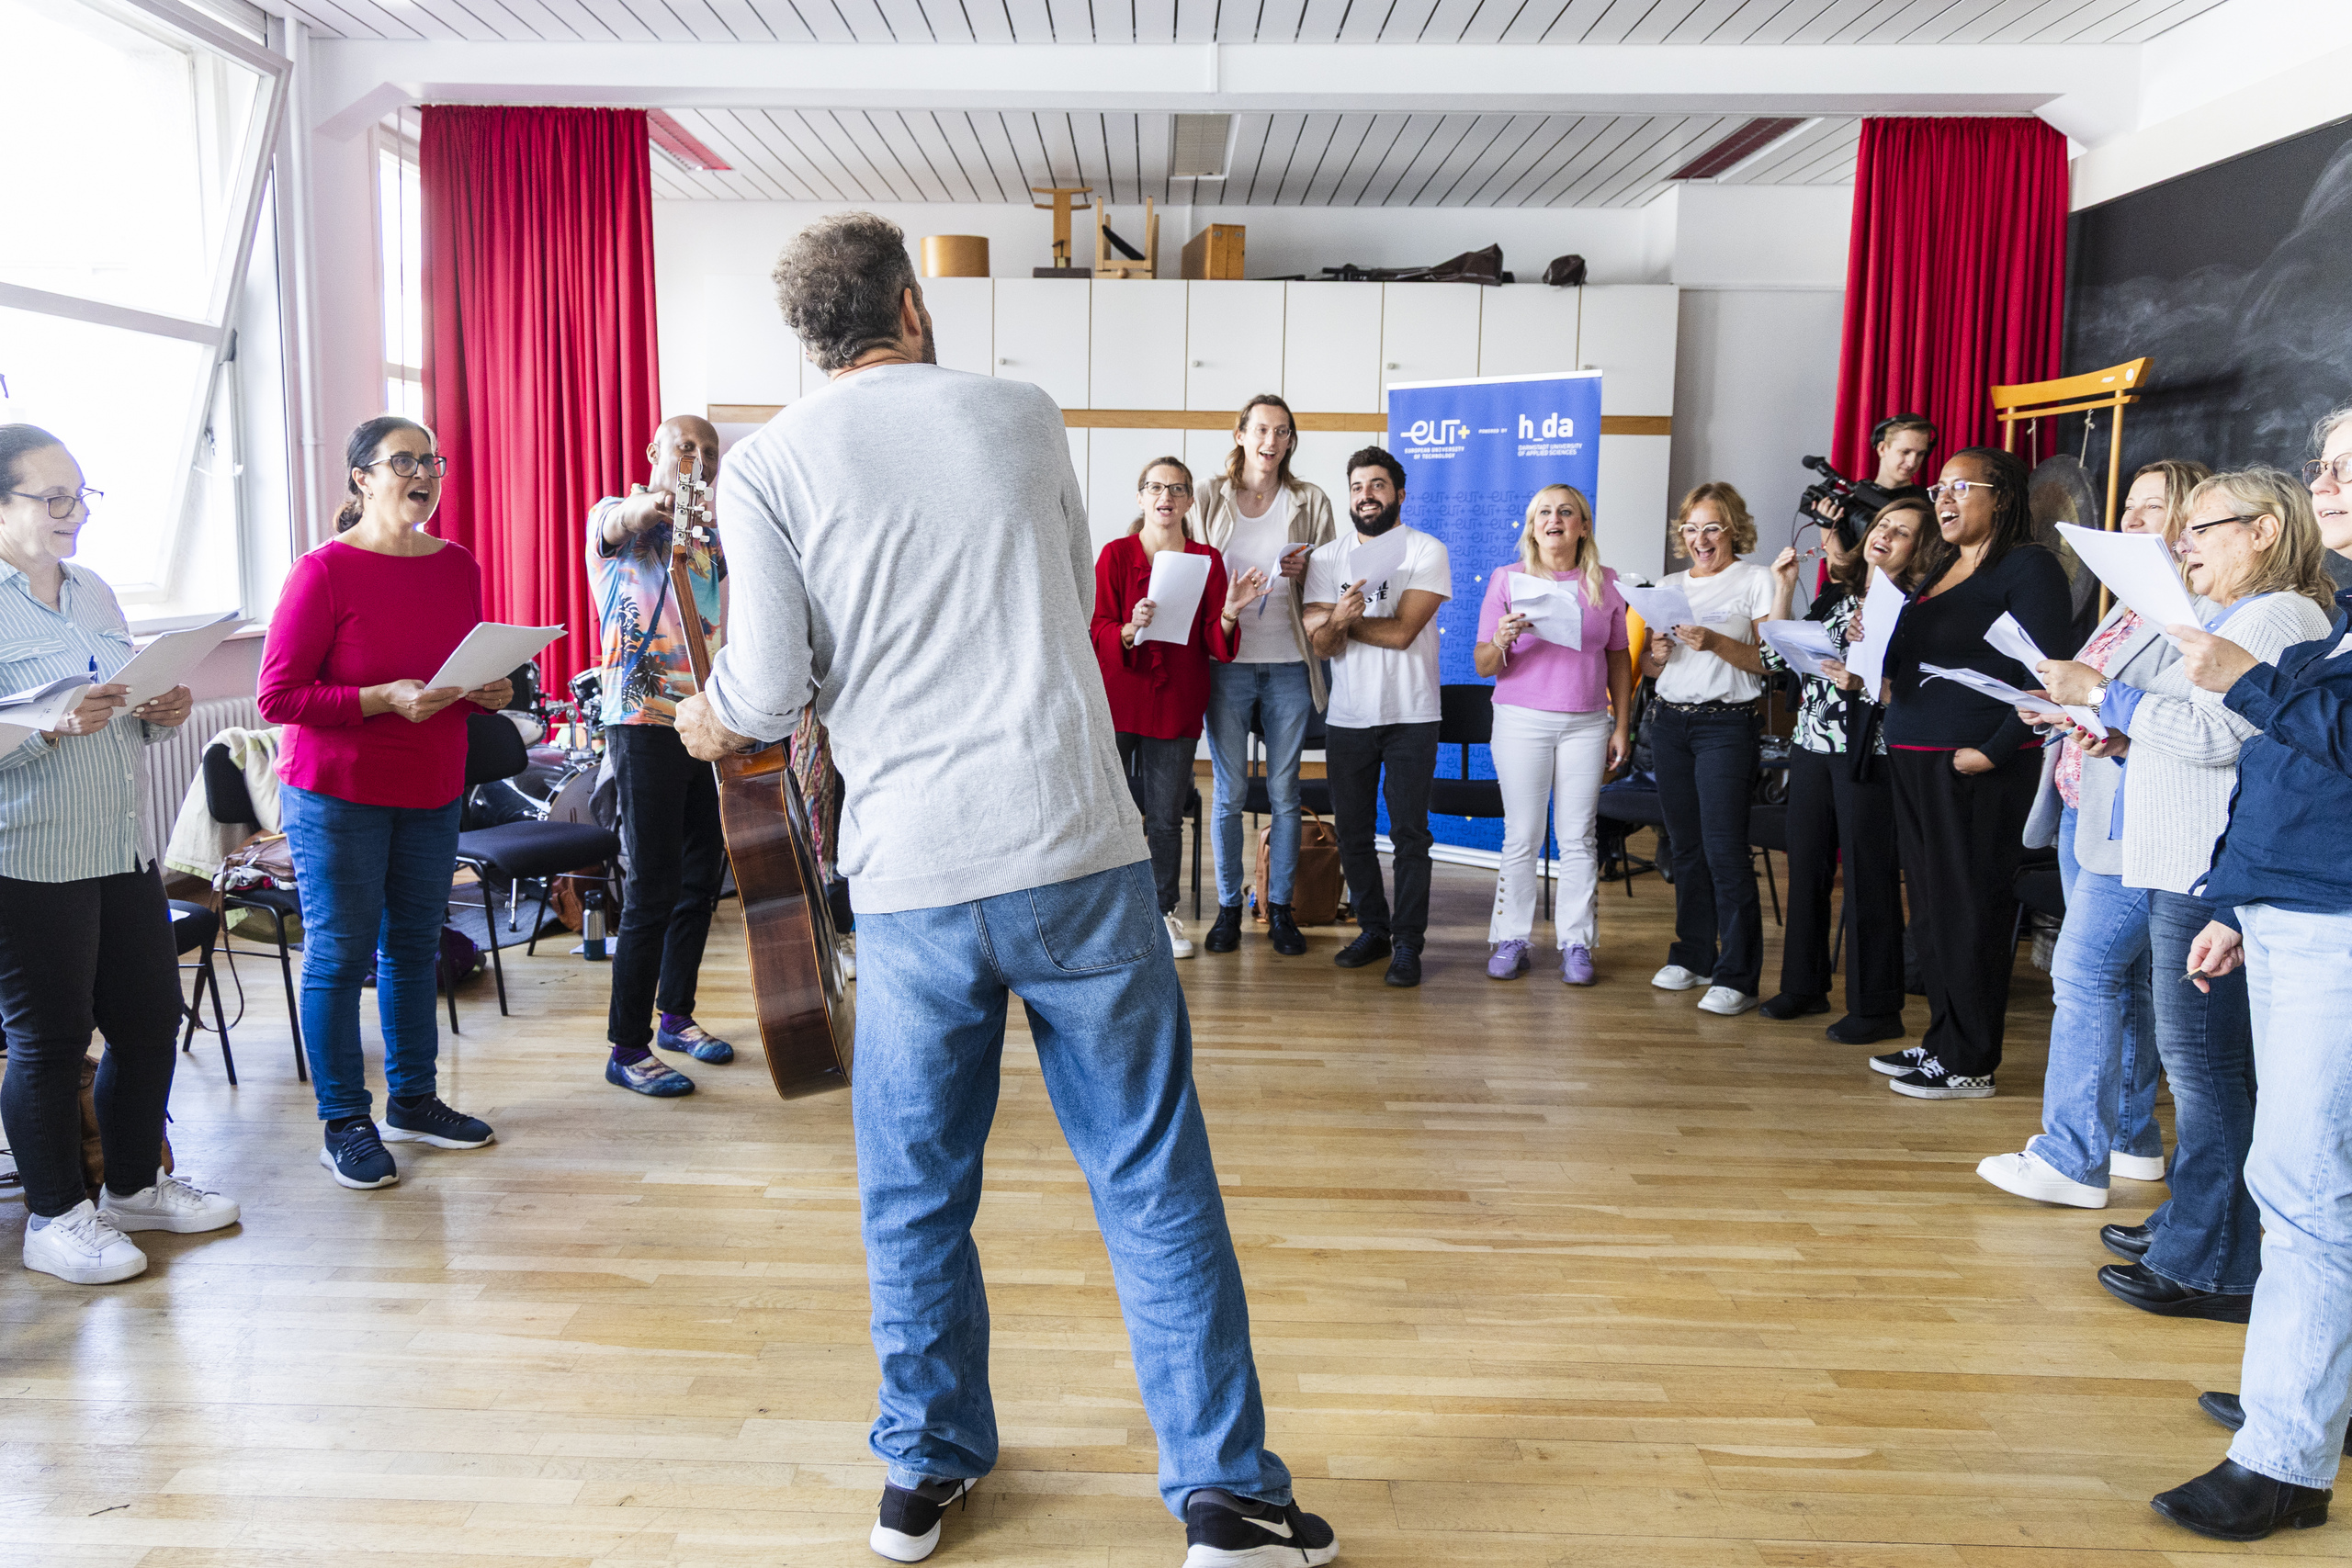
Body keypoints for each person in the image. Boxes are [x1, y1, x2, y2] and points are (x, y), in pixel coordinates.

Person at [672, 213, 1334, 1567]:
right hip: (1075, 845)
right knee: (1150, 1171)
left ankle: (923, 1466)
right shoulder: (1022, 414)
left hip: (913, 872)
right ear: (913, 307)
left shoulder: (773, 464)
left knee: (914, 1188)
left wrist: (705, 719)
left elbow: (768, 685)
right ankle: (1228, 1497)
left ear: (809, 335)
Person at [2032, 469, 2331, 1325]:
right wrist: (2121, 730)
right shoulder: (2240, 614)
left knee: (2207, 1072)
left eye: (2202, 526)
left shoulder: (2276, 614)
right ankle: (2195, 1224)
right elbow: (2191, 730)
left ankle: (2213, 1257)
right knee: (2201, 1066)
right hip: (2182, 858)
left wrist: (2103, 695)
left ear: (2265, 531)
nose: (2185, 543)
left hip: (2205, 866)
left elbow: (2213, 737)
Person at [2146, 410, 2352, 1542]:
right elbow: (2294, 779)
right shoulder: (2342, 615)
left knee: (2305, 1193)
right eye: (2319, 465)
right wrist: (2234, 900)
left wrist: (2242, 678)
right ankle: (2312, 1398)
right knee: (2315, 1188)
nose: (2321, 482)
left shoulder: (2300, 631)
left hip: (2335, 927)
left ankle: (2283, 1458)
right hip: (2291, 913)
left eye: (2339, 469)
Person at [0, 424, 234, 1284]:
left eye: (80, 497)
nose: (73, 516)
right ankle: (55, 1215)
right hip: (25, 857)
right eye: (52, 499)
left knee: (146, 1026)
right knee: (49, 1042)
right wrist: (41, 729)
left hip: (118, 845)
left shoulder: (93, 592)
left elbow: (119, 702)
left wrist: (155, 709)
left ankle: (133, 1186)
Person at [259, 416, 506, 1190]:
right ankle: (345, 1121)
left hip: (431, 784)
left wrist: (486, 691)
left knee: (413, 947)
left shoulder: (457, 566)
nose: (424, 472)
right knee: (340, 954)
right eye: (404, 460)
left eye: (431, 460)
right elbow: (279, 694)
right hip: (338, 792)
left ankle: (414, 1101)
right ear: (362, 476)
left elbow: (453, 679)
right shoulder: (323, 571)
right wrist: (376, 698)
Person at [1976, 460, 2205, 1212]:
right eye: (2130, 507)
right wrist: (2056, 706)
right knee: (2125, 982)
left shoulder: (2196, 614)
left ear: (2192, 521)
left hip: (2143, 822)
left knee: (2082, 975)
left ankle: (2071, 1156)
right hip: (2086, 808)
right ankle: (2131, 1139)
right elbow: (2098, 692)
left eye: (2153, 508)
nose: (2132, 521)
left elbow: (2177, 722)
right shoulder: (2128, 606)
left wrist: (2097, 706)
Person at [1871, 446, 2076, 1099]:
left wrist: (1993, 748)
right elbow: (1907, 659)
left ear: (2003, 496)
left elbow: (2045, 671)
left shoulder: (2028, 567)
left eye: (1962, 486)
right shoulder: (1937, 569)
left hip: (1975, 765)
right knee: (1932, 911)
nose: (1945, 498)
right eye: (1940, 488)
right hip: (1914, 755)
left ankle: (1970, 1059)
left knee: (1971, 911)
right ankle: (1942, 1042)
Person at [585, 414, 735, 1099]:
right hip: (642, 718)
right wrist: (658, 502)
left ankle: (675, 1015)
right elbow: (622, 517)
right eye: (685, 448)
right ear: (654, 453)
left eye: (708, 452)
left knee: (702, 877)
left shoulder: (710, 542)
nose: (698, 459)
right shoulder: (620, 523)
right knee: (652, 882)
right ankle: (627, 1045)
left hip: (703, 720)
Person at [1757, 495, 1931, 1043]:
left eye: (1901, 532)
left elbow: (1917, 690)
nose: (1885, 535)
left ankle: (1876, 1008)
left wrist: (1867, 678)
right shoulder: (1841, 593)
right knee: (1806, 866)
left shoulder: (1919, 605)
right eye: (1882, 525)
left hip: (1869, 753)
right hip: (1811, 743)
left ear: (1921, 549)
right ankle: (1803, 986)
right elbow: (1772, 659)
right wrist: (1784, 588)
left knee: (1866, 877)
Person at [1089, 456, 1269, 956]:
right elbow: (1097, 625)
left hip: (1177, 699)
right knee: (1107, 811)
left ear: (1190, 501)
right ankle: (1105, 914)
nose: (1165, 497)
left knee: (1165, 816)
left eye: (1176, 489)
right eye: (1155, 487)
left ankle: (1163, 914)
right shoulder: (1116, 555)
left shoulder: (1207, 560)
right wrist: (1128, 627)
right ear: (1141, 497)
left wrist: (1232, 611)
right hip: (1121, 696)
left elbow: (1215, 639)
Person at [1303, 446, 1453, 989]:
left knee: (1411, 834)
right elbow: (1321, 647)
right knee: (1355, 833)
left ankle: (1409, 943)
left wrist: (1341, 621)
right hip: (1348, 717)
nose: (1366, 495)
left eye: (1378, 485)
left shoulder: (1426, 550)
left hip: (1413, 715)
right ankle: (1374, 929)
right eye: (1358, 486)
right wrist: (1333, 624)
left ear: (1399, 494)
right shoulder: (1326, 559)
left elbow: (1401, 632)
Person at [1193, 394, 1338, 958]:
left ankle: (1279, 908)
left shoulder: (1309, 500)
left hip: (1287, 662)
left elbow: (1334, 578)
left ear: (1290, 440)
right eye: (1260, 430)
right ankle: (1230, 907)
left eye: (1282, 432)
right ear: (1240, 434)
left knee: (1283, 790)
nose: (1270, 441)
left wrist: (1310, 571)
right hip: (1225, 661)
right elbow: (1190, 573)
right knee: (1228, 792)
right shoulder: (1208, 496)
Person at [1474, 484, 1630, 985]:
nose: (1554, 519)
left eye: (1566, 512)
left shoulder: (1606, 584)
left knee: (1579, 837)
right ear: (1532, 525)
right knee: (1522, 834)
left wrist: (1621, 724)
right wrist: (1500, 640)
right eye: (1544, 512)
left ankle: (1577, 944)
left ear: (1583, 525)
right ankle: (1512, 936)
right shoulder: (1507, 579)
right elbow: (1481, 665)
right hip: (1521, 720)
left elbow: (1618, 658)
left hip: (1587, 722)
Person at [1639, 483, 1777, 1017]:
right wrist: (1656, 652)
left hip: (1726, 725)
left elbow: (1771, 663)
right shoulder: (1670, 584)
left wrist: (1715, 641)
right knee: (1684, 846)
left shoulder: (1756, 580)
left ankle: (1737, 975)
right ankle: (1692, 955)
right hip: (1671, 723)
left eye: (1712, 527)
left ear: (1733, 530)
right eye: (1692, 529)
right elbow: (1654, 670)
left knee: (1723, 849)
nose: (1701, 539)